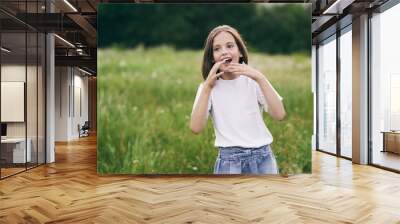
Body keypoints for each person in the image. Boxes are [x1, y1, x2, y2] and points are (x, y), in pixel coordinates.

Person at [190, 25, 286, 175]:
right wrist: (207, 88)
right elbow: (196, 128)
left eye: (230, 46)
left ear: (240, 52)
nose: (224, 52)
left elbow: (279, 115)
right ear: (211, 57)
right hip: (230, 162)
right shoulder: (207, 88)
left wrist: (260, 78)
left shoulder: (254, 81)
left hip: (263, 158)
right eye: (217, 49)